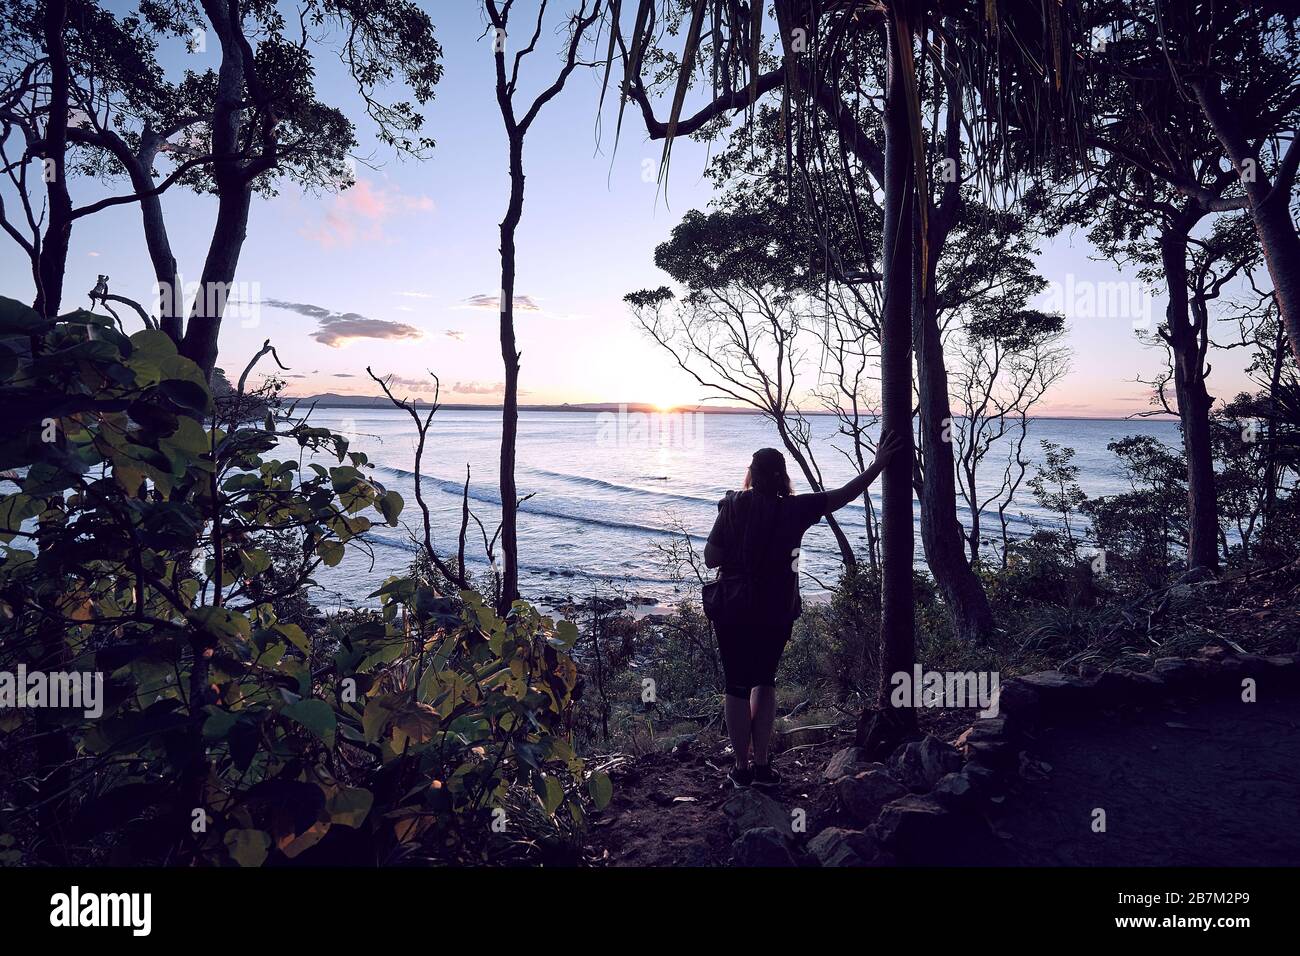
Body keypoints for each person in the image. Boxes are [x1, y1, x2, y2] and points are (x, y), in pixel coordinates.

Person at [703, 431, 905, 789]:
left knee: (735, 685)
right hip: (775, 610)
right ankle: (763, 767)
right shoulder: (796, 509)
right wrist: (878, 463)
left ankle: (741, 768)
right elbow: (843, 496)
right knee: (764, 681)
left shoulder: (732, 505)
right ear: (782, 476)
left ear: (751, 473)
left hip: (733, 608)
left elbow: (710, 558)